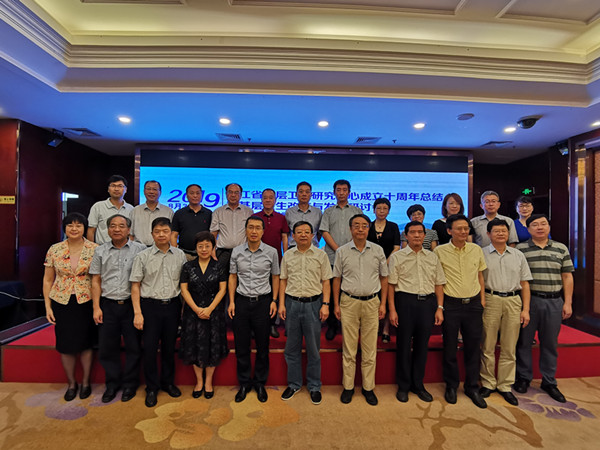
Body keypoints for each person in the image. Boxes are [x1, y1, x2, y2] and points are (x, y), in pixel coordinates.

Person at [514, 214, 574, 403]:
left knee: (550, 343)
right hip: (529, 301)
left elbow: (567, 276)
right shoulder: (521, 249)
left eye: (543, 224)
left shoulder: (560, 248)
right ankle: (523, 377)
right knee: (524, 341)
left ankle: (549, 381)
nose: (539, 227)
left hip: (554, 301)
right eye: (535, 225)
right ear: (528, 229)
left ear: (548, 226)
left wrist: (568, 302)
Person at [130, 217, 187, 408]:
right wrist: (137, 313)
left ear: (171, 233)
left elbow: (183, 284)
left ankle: (168, 383)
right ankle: (152, 388)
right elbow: (135, 286)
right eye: (157, 231)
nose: (162, 235)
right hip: (150, 307)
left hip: (172, 306)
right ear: (152, 234)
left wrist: (183, 309)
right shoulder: (142, 256)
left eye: (165, 231)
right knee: (150, 349)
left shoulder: (180, 255)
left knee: (169, 348)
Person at [90, 214, 146, 403]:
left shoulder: (140, 250)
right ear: (107, 229)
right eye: (113, 226)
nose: (117, 229)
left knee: (133, 347)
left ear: (128, 230)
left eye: (121, 226)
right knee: (108, 348)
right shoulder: (100, 251)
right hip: (108, 305)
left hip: (132, 305)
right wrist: (96, 307)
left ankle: (130, 384)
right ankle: (112, 384)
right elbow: (95, 280)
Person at [333, 214, 388, 406]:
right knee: (349, 348)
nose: (360, 229)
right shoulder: (342, 251)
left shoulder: (378, 250)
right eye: (356, 225)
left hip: (372, 302)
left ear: (368, 229)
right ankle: (348, 387)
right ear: (350, 229)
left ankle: (368, 387)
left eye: (364, 226)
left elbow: (384, 278)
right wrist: (336, 304)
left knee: (369, 348)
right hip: (349, 302)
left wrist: (383, 304)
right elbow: (337, 279)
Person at [433, 214, 488, 408]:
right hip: (451, 304)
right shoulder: (439, 251)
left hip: (473, 304)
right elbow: (438, 281)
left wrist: (482, 300)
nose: (464, 232)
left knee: (473, 347)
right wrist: (440, 307)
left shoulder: (476, 249)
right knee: (450, 347)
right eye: (459, 228)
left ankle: (472, 387)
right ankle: (451, 385)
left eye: (466, 228)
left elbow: (480, 276)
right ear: (449, 231)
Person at [388, 220, 445, 403]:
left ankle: (418, 384)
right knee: (404, 346)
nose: (417, 235)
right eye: (412, 232)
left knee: (422, 346)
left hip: (427, 304)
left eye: (420, 232)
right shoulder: (397, 257)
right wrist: (392, 310)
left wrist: (439, 308)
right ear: (406, 235)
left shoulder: (432, 257)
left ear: (425, 235)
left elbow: (439, 284)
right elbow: (391, 285)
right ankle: (403, 385)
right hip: (405, 302)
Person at [43, 212, 98, 401]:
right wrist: (48, 306)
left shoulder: (94, 249)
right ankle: (71, 383)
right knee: (65, 344)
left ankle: (86, 382)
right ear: (64, 228)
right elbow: (48, 279)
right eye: (70, 225)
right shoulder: (55, 249)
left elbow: (98, 279)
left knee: (86, 342)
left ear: (84, 228)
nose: (74, 229)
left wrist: (98, 306)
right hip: (62, 301)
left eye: (78, 225)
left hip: (86, 300)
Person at [479, 218, 532, 406]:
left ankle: (505, 385)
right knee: (488, 344)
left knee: (509, 346)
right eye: (496, 231)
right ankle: (488, 383)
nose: (501, 234)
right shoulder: (481, 253)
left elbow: (525, 283)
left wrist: (526, 309)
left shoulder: (518, 255)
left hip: (513, 300)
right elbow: (479, 279)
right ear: (488, 234)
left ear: (508, 234)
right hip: (490, 300)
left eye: (504, 231)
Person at [278, 221, 332, 405]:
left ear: (312, 235)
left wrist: (325, 304)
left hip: (313, 305)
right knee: (291, 349)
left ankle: (314, 386)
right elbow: (283, 280)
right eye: (299, 232)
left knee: (313, 349)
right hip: (292, 304)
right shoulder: (288, 255)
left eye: (307, 232)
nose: (303, 235)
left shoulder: (320, 255)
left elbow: (326, 281)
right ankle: (294, 384)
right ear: (293, 236)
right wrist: (281, 304)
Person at [228, 216, 280, 403]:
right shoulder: (236, 251)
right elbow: (232, 276)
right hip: (241, 302)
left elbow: (275, 276)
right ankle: (244, 383)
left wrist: (274, 300)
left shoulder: (272, 252)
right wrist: (231, 301)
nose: (254, 231)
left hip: (263, 302)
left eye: (258, 228)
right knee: (241, 346)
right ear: (246, 230)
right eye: (250, 227)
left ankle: (259, 383)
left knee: (262, 346)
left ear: (263, 231)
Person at [179, 231, 228, 399]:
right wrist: (196, 309)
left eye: (207, 246)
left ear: (213, 247)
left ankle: (208, 382)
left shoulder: (219, 266)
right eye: (200, 246)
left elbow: (223, 289)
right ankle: (199, 382)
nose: (204, 249)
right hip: (193, 313)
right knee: (195, 346)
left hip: (214, 313)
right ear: (196, 248)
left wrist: (209, 309)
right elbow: (184, 289)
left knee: (212, 347)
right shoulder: (188, 266)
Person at [321, 179, 363, 340]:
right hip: (332, 257)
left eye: (344, 190)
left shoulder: (357, 210)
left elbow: (360, 231)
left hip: (353, 257)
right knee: (333, 292)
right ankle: (332, 325)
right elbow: (324, 231)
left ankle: (349, 324)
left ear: (349, 192)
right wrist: (339, 250)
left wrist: (348, 250)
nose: (341, 193)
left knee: (350, 292)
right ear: (334, 192)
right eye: (338, 190)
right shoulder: (328, 211)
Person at [256, 188, 290, 338]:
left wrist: (286, 256)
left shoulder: (281, 218)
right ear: (261, 200)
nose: (268, 200)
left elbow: (284, 238)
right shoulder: (255, 217)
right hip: (257, 260)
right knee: (258, 293)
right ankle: (257, 324)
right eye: (265, 197)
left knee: (273, 293)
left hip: (276, 260)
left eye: (271, 197)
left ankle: (272, 324)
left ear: (275, 200)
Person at [367, 197, 400, 343]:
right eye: (379, 208)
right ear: (374, 210)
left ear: (389, 211)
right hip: (370, 266)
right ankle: (374, 328)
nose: (381, 211)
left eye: (385, 208)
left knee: (386, 297)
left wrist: (385, 263)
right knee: (373, 296)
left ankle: (386, 329)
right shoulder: (368, 225)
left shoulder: (393, 226)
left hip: (388, 266)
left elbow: (396, 247)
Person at [211, 183, 253, 274]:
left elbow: (251, 234)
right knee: (222, 278)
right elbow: (213, 235)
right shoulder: (218, 212)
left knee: (242, 278)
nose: (233, 195)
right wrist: (213, 254)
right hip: (223, 253)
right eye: (230, 192)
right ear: (226, 194)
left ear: (241, 195)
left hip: (243, 253)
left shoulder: (249, 212)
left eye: (236, 192)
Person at [88, 175, 134, 244]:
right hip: (102, 248)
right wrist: (91, 248)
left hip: (124, 249)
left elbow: (131, 233)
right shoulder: (98, 206)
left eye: (120, 186)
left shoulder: (131, 209)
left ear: (126, 189)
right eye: (113, 186)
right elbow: (91, 230)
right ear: (108, 189)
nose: (116, 189)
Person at [171, 184, 212, 260]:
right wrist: (175, 253)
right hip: (184, 254)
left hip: (203, 254)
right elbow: (174, 235)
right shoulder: (179, 213)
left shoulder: (209, 213)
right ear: (186, 195)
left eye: (198, 193)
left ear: (202, 195)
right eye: (192, 193)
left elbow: (212, 235)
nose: (195, 196)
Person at [131, 180, 174, 246]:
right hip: (138, 249)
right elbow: (130, 234)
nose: (151, 192)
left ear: (160, 192)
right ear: (144, 191)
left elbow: (172, 235)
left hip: (160, 249)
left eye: (155, 189)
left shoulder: (168, 212)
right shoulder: (135, 211)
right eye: (148, 189)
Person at [285, 181, 322, 248]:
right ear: (296, 194)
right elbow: (286, 233)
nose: (304, 194)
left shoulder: (317, 212)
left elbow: (319, 233)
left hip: (313, 249)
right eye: (301, 192)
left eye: (307, 192)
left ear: (311, 194)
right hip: (293, 249)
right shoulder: (289, 212)